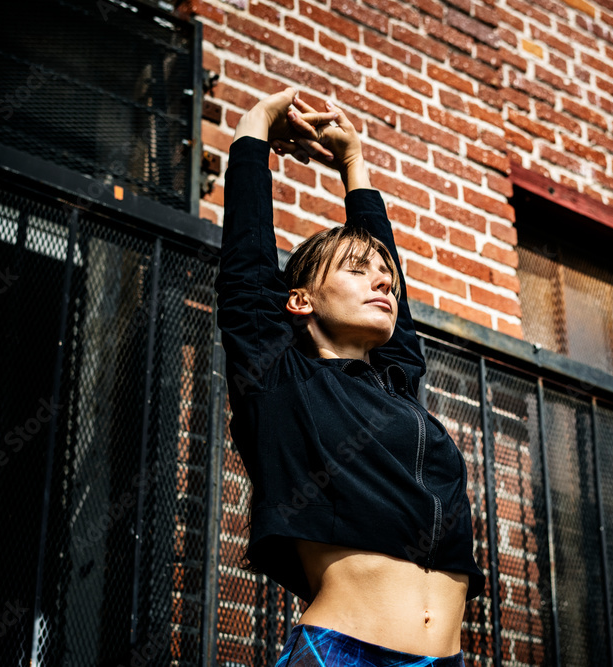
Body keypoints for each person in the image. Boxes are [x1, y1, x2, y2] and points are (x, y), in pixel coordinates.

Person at [217, 86, 486, 667]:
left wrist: (354, 163)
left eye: (386, 275)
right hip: (344, 655)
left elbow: (397, 298)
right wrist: (255, 129)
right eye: (358, 271)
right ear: (298, 301)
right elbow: (245, 270)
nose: (383, 283)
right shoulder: (280, 380)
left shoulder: (395, 383)